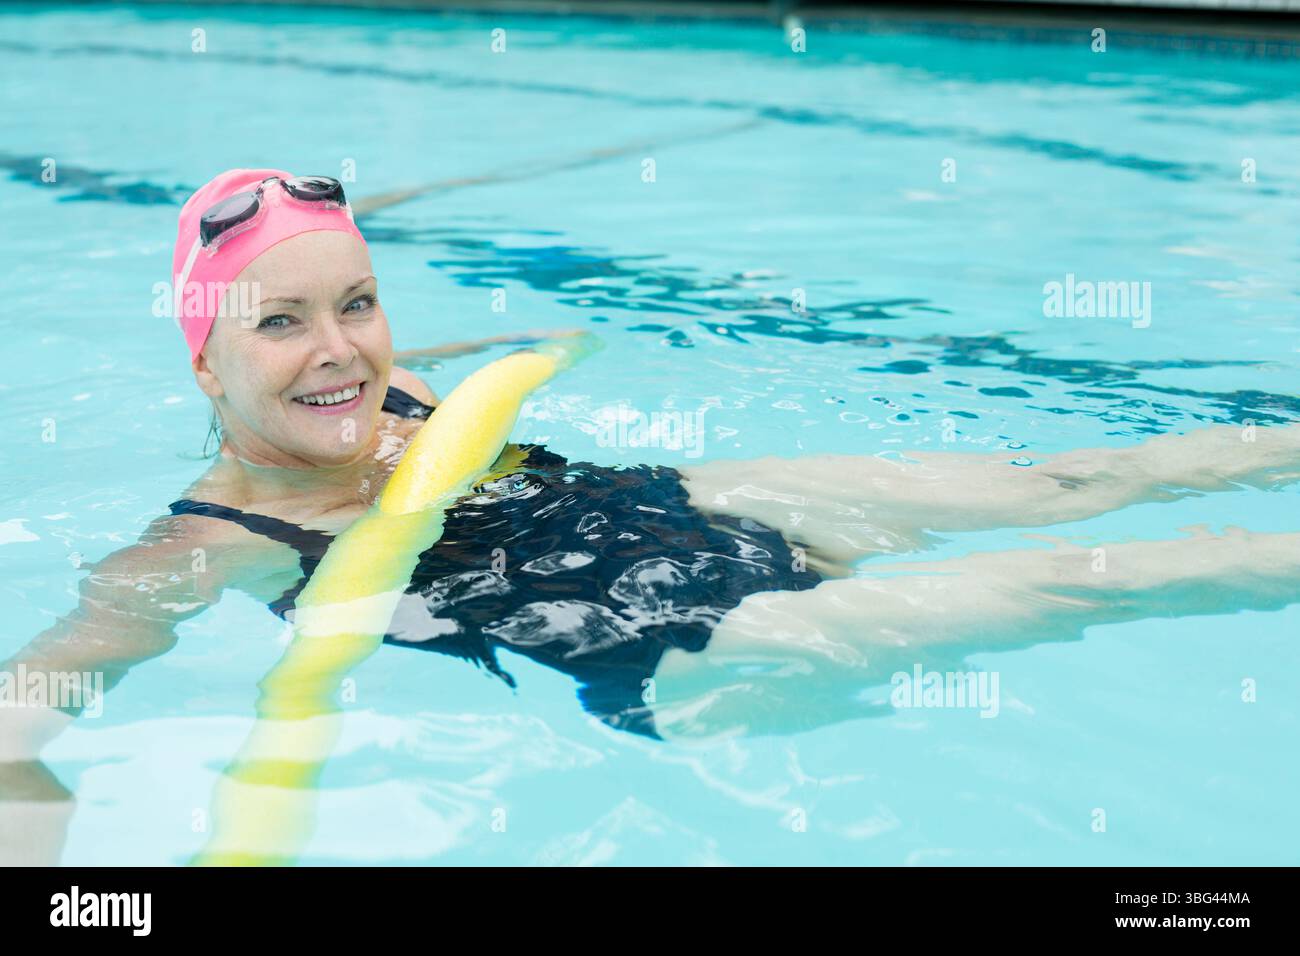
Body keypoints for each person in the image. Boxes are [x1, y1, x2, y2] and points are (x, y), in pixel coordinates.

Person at [3, 169, 1298, 862]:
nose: (340, 350)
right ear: (204, 367)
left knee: (1059, 485)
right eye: (278, 321)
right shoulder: (201, 545)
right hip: (653, 642)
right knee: (1098, 575)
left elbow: (415, 370)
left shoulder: (397, 393)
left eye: (356, 300)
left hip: (664, 505)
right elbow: (23, 721)